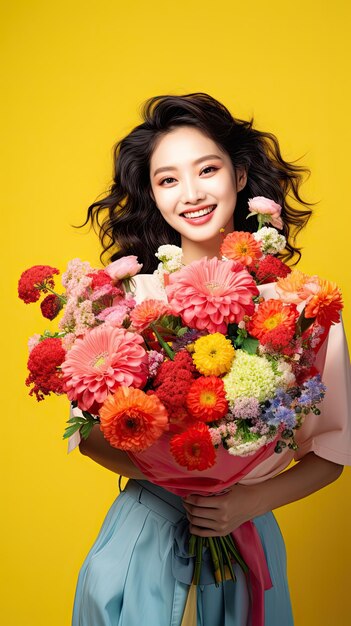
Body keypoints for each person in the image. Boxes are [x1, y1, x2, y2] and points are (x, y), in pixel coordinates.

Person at [72, 93, 350, 626]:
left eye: (207, 169)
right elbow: (85, 434)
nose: (192, 194)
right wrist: (175, 478)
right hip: (143, 534)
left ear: (240, 176)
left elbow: (332, 454)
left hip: (246, 534)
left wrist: (246, 501)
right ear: (152, 195)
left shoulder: (299, 309)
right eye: (168, 179)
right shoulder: (125, 305)